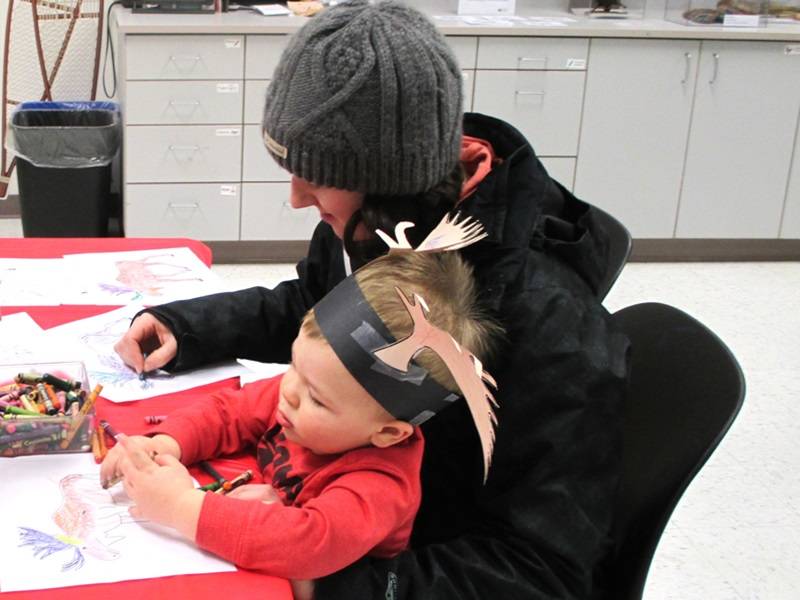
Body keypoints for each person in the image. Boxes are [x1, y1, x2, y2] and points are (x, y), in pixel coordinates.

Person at [114, 1, 631, 598]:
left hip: (407, 554)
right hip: (326, 497)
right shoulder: (378, 223)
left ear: (390, 179)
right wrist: (190, 327)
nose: (296, 198)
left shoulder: (551, 327)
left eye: (316, 175)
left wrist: (337, 583)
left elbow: (541, 571)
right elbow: (312, 304)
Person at [101, 247, 501, 581]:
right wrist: (167, 444)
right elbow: (229, 412)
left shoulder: (380, 482)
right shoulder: (303, 393)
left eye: (318, 399)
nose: (289, 393)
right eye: (293, 366)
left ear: (388, 433)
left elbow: (309, 543)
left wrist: (179, 507)